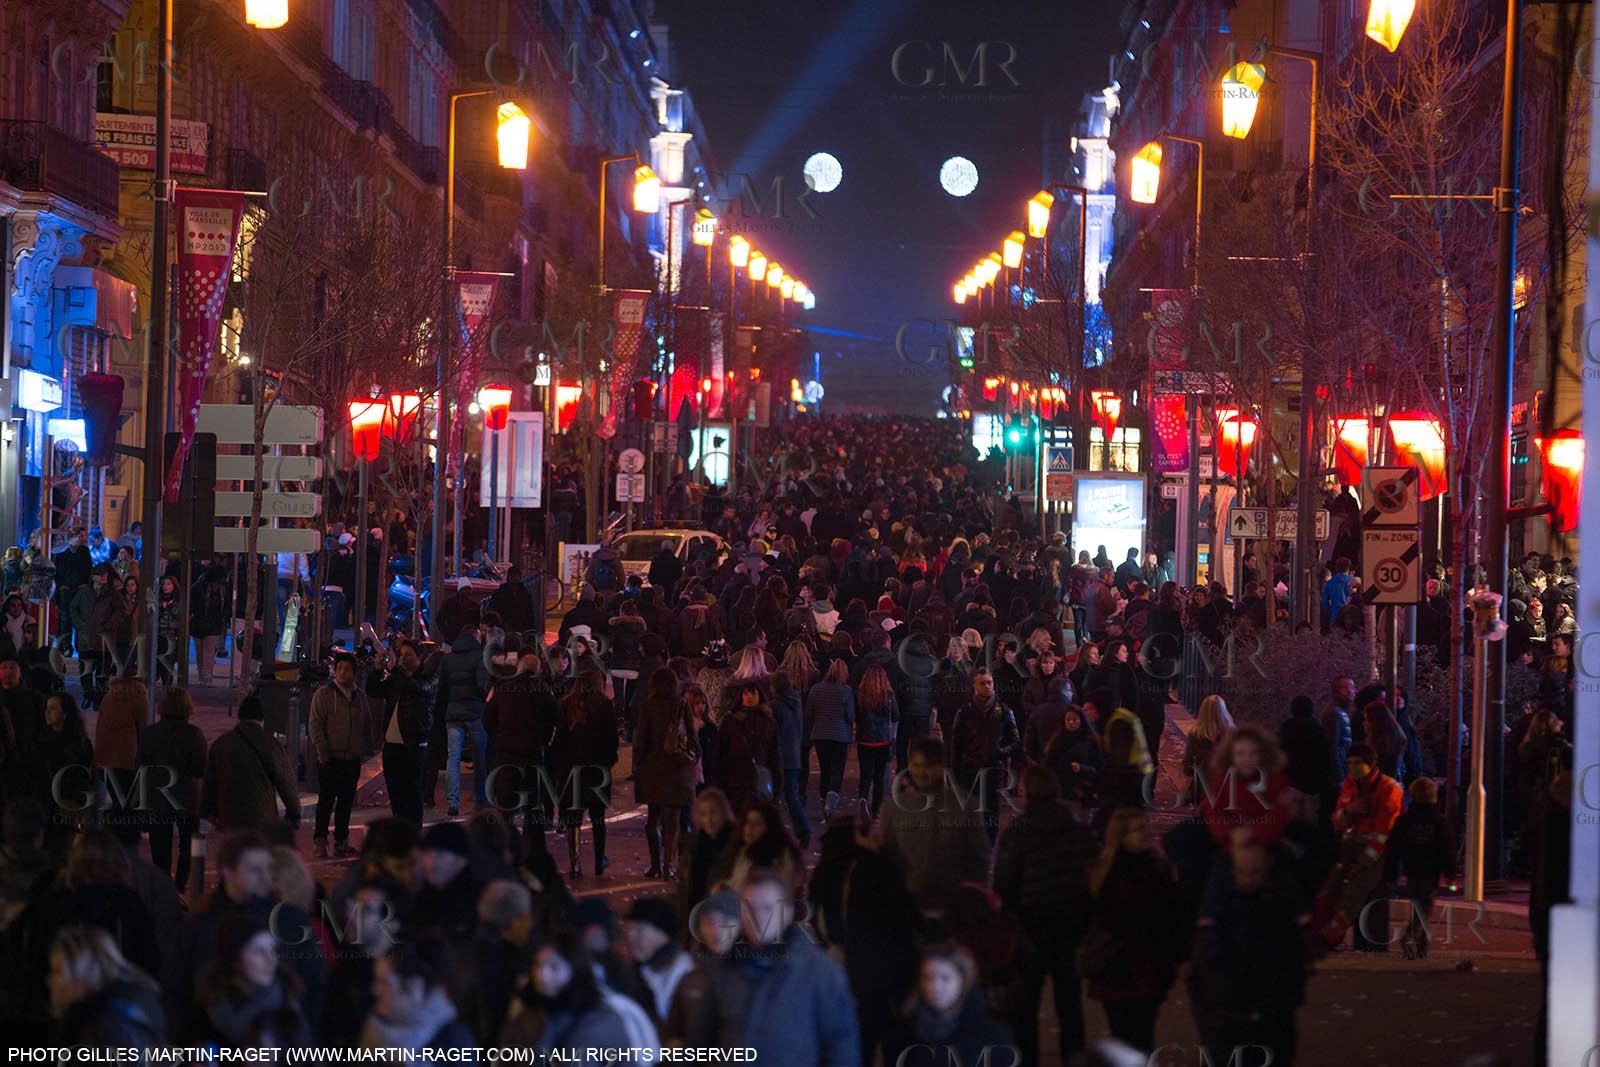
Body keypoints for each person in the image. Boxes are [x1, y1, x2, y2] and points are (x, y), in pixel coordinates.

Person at [992, 765, 1096, 1063]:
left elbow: (1004, 883)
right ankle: (1073, 1056)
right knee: (1069, 1001)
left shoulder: (1017, 832)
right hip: (1071, 926)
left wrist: (1010, 918)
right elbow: (1092, 878)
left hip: (1030, 927)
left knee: (1026, 1005)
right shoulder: (1079, 829)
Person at [707, 870, 859, 1065]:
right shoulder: (724, 968)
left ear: (787, 913)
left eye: (768, 908)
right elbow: (703, 1041)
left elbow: (842, 1046)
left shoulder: (820, 971)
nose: (758, 917)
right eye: (750, 908)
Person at [807, 815, 920, 1067]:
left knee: (855, 1042)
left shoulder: (825, 872)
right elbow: (903, 916)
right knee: (890, 1038)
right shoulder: (875, 869)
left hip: (842, 967)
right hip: (879, 974)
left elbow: (819, 923)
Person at [1189, 840, 1312, 1065]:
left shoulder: (1277, 908)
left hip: (1270, 1016)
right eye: (1243, 872)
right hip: (1232, 1018)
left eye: (1255, 872)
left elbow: (1291, 961)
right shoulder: (1222, 912)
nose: (1249, 879)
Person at [1082, 809, 1184, 1051]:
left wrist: (1175, 956)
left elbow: (1172, 916)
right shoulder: (1101, 871)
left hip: (1147, 964)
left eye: (1144, 827)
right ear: (1121, 836)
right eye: (1137, 829)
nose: (1145, 833)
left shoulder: (1159, 869)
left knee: (1143, 1035)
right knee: (1120, 1034)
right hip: (1113, 965)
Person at [879, 737, 991, 923]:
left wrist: (968, 896)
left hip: (954, 909)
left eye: (929, 766)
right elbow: (887, 859)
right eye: (916, 765)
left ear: (942, 766)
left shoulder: (965, 805)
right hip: (909, 910)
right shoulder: (894, 809)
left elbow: (979, 857)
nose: (922, 772)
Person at [499, 928, 656, 1054]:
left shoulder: (601, 1017)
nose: (542, 975)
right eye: (537, 965)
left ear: (575, 969)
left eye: (554, 967)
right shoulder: (527, 1013)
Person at [1317, 743, 1404, 949]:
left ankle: (1329, 937)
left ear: (1372, 764)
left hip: (1375, 851)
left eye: (1357, 763)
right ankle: (1318, 931)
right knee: (1329, 887)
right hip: (1350, 844)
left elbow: (1384, 832)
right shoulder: (1350, 784)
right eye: (1350, 763)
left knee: (1354, 893)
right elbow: (1337, 820)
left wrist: (1363, 862)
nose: (1352, 768)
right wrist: (1349, 811)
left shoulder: (1388, 789)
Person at [886, 943, 1014, 1067]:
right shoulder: (905, 1031)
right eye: (927, 977)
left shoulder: (993, 1036)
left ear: (963, 981)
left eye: (945, 978)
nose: (935, 987)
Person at [193, 912, 308, 1047]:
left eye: (273, 950)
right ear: (235, 959)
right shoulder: (213, 1001)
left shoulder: (288, 996)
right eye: (259, 951)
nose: (270, 960)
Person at [46, 924, 167, 1049]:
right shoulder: (125, 1019)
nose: (50, 981)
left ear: (84, 973)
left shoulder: (105, 1032)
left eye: (58, 971)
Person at [137, 688, 207, 888]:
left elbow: (140, 765)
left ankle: (163, 885)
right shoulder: (193, 735)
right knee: (188, 845)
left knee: (160, 846)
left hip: (157, 795)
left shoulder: (149, 733)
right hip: (185, 796)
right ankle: (180, 885)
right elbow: (200, 768)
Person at [634, 667, 700, 878]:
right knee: (674, 820)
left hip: (654, 768)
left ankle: (655, 864)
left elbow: (641, 740)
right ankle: (669, 866)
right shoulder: (681, 706)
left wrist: (638, 764)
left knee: (653, 818)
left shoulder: (648, 707)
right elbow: (692, 738)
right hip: (678, 768)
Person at [201, 696, 301, 834]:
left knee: (233, 852)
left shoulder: (222, 744)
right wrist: (294, 814)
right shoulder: (270, 743)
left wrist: (207, 811)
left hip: (229, 816)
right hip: (261, 816)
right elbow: (285, 781)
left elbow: (210, 782)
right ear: (262, 719)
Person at [555, 667, 619, 878]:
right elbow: (611, 738)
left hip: (571, 767)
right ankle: (599, 859)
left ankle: (575, 862)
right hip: (596, 768)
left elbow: (560, 740)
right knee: (598, 817)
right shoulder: (603, 705)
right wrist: (610, 761)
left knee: (573, 816)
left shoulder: (566, 705)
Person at [309, 653, 374, 858]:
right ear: (334, 671)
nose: (343, 673)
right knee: (325, 801)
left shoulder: (360, 697)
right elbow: (316, 724)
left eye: (347, 669)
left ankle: (341, 841)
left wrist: (366, 749)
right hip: (330, 758)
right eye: (340, 669)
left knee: (345, 803)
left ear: (354, 673)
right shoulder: (324, 695)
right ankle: (320, 841)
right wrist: (322, 750)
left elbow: (367, 724)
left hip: (351, 758)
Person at [1384, 777, 1458, 958]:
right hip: (1430, 871)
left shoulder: (1405, 821)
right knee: (1425, 907)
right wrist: (1450, 873)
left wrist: (1391, 874)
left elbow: (1393, 848)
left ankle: (1420, 943)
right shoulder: (1439, 821)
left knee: (1418, 904)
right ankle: (1412, 936)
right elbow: (1447, 848)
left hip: (1412, 869)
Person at [367, 640, 437, 825]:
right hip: (392, 745)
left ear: (420, 657)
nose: (403, 659)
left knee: (413, 793)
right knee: (396, 794)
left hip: (414, 745)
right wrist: (377, 670)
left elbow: (414, 688)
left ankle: (413, 835)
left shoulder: (428, 678)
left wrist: (394, 671)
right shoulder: (397, 679)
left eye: (408, 655)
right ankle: (400, 834)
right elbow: (373, 690)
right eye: (401, 654)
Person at [363, 939, 475, 1051]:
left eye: (384, 983)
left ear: (413, 989)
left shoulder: (454, 1041)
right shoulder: (375, 1029)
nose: (375, 990)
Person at [949, 668, 1019, 843]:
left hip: (992, 768)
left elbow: (1015, 740)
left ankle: (989, 843)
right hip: (969, 768)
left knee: (991, 810)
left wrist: (1000, 752)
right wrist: (954, 773)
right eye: (983, 683)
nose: (987, 686)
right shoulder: (965, 712)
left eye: (990, 683)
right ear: (974, 685)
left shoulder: (1003, 710)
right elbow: (956, 745)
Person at [439, 623, 492, 818]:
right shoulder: (479, 657)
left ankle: (453, 802)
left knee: (452, 758)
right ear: (475, 636)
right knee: (480, 757)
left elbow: (442, 687)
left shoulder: (448, 659)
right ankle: (480, 799)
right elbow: (482, 685)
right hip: (475, 712)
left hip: (453, 712)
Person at [619, 897, 694, 1029]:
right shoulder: (639, 967)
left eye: (640, 929)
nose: (630, 935)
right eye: (630, 929)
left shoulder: (682, 971)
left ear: (661, 934)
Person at [711, 682, 782, 817]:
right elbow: (720, 753)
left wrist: (777, 785)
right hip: (736, 782)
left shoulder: (768, 721)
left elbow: (774, 754)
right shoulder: (731, 720)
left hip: (758, 780)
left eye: (753, 693)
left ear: (759, 695)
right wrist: (718, 782)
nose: (749, 697)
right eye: (746, 693)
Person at [676, 788, 738, 925]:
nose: (709, 819)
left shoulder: (735, 843)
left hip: (724, 916)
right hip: (695, 913)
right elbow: (683, 882)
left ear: (723, 813)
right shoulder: (694, 842)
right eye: (703, 814)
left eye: (713, 813)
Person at [806, 658, 856, 819]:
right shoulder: (845, 691)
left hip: (820, 734)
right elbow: (850, 716)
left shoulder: (816, 689)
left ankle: (823, 797)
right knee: (837, 769)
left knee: (825, 768)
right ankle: (831, 801)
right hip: (840, 735)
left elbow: (809, 712)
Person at [854, 665, 898, 816]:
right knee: (879, 776)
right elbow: (896, 715)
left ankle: (863, 798)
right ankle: (876, 809)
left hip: (864, 740)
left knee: (865, 774)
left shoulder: (860, 695)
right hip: (883, 740)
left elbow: (856, 717)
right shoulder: (889, 695)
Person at [729, 802, 802, 891]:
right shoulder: (744, 851)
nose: (750, 827)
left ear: (769, 828)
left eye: (757, 824)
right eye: (748, 822)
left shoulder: (779, 857)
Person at [1183, 695, 1235, 805]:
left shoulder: (1196, 734)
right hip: (1224, 781)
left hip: (1202, 783)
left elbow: (1189, 759)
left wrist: (1188, 770)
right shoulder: (1231, 733)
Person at [1321, 676, 1356, 786]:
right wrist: (1339, 777)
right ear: (1340, 691)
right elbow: (1333, 747)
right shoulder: (1335, 714)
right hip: (1338, 775)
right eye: (1350, 687)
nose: (1353, 691)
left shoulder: (1339, 711)